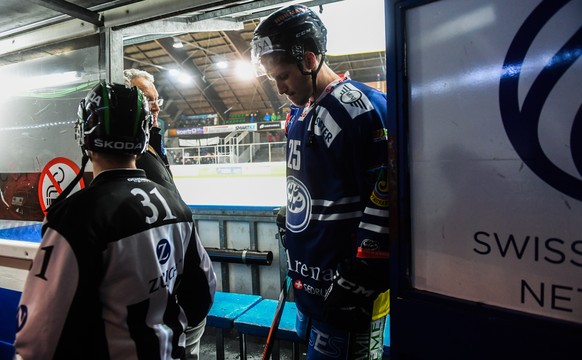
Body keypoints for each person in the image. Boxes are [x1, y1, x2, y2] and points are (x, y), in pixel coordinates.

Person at [13, 82, 216, 359]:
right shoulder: (175, 205)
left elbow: (37, 334)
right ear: (143, 137)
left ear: (85, 138)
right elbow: (202, 294)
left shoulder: (74, 217)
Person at [251, 4, 391, 359]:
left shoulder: (359, 109)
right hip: (310, 289)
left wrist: (362, 273)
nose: (280, 89)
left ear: (309, 60)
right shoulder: (300, 113)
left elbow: (388, 195)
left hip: (348, 297)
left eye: (283, 76)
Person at [124, 69, 209, 359]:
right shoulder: (133, 158)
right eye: (147, 99)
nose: (156, 104)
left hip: (179, 290)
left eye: (156, 98)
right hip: (168, 298)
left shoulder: (150, 145)